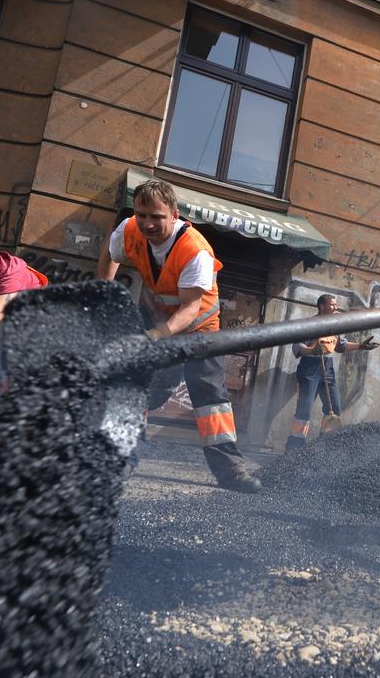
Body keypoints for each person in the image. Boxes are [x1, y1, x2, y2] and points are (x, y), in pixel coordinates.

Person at [96, 179, 261, 493]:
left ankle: (232, 473)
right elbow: (109, 255)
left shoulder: (194, 250)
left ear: (174, 214)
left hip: (197, 331)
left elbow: (189, 309)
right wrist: (104, 295)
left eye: (156, 217)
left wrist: (156, 336)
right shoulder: (129, 229)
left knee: (210, 398)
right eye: (142, 214)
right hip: (157, 319)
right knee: (139, 387)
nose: (147, 223)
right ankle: (121, 463)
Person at [285, 294, 379, 451]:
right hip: (310, 368)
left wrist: (361, 346)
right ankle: (294, 449)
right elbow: (297, 347)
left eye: (336, 305)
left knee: (334, 409)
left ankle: (325, 449)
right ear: (322, 306)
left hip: (327, 368)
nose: (336, 308)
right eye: (332, 305)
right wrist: (312, 349)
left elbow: (340, 346)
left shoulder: (333, 327)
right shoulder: (309, 324)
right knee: (304, 410)